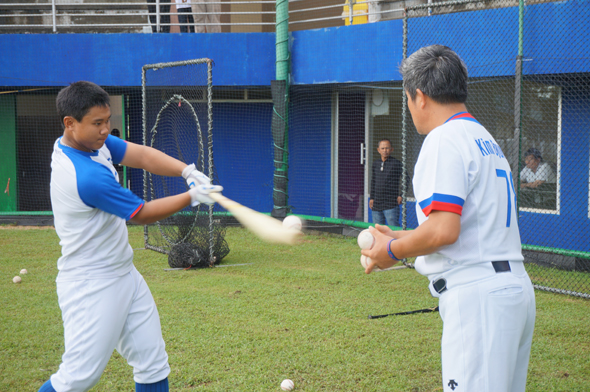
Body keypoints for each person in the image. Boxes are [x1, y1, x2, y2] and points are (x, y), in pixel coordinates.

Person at [362, 45, 536, 392]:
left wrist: (393, 250)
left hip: (477, 296)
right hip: (511, 289)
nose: (410, 108)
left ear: (420, 97)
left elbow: (444, 230)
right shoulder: (483, 137)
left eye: (408, 99)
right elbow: (460, 222)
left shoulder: (443, 138)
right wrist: (396, 235)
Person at [38, 81, 222, 392]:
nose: (105, 129)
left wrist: (187, 171)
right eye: (98, 123)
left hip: (123, 273)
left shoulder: (90, 143)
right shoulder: (86, 176)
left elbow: (142, 156)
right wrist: (191, 197)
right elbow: (142, 214)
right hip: (91, 284)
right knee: (78, 378)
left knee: (152, 364)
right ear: (70, 124)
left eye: (107, 120)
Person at [369, 139, 405, 226]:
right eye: (382, 148)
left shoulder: (396, 163)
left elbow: (406, 179)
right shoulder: (376, 164)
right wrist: (372, 198)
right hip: (377, 203)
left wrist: (401, 194)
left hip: (391, 203)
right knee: (378, 228)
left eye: (387, 148)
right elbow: (373, 181)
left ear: (391, 149)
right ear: (378, 150)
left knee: (393, 229)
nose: (385, 150)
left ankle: (395, 240)